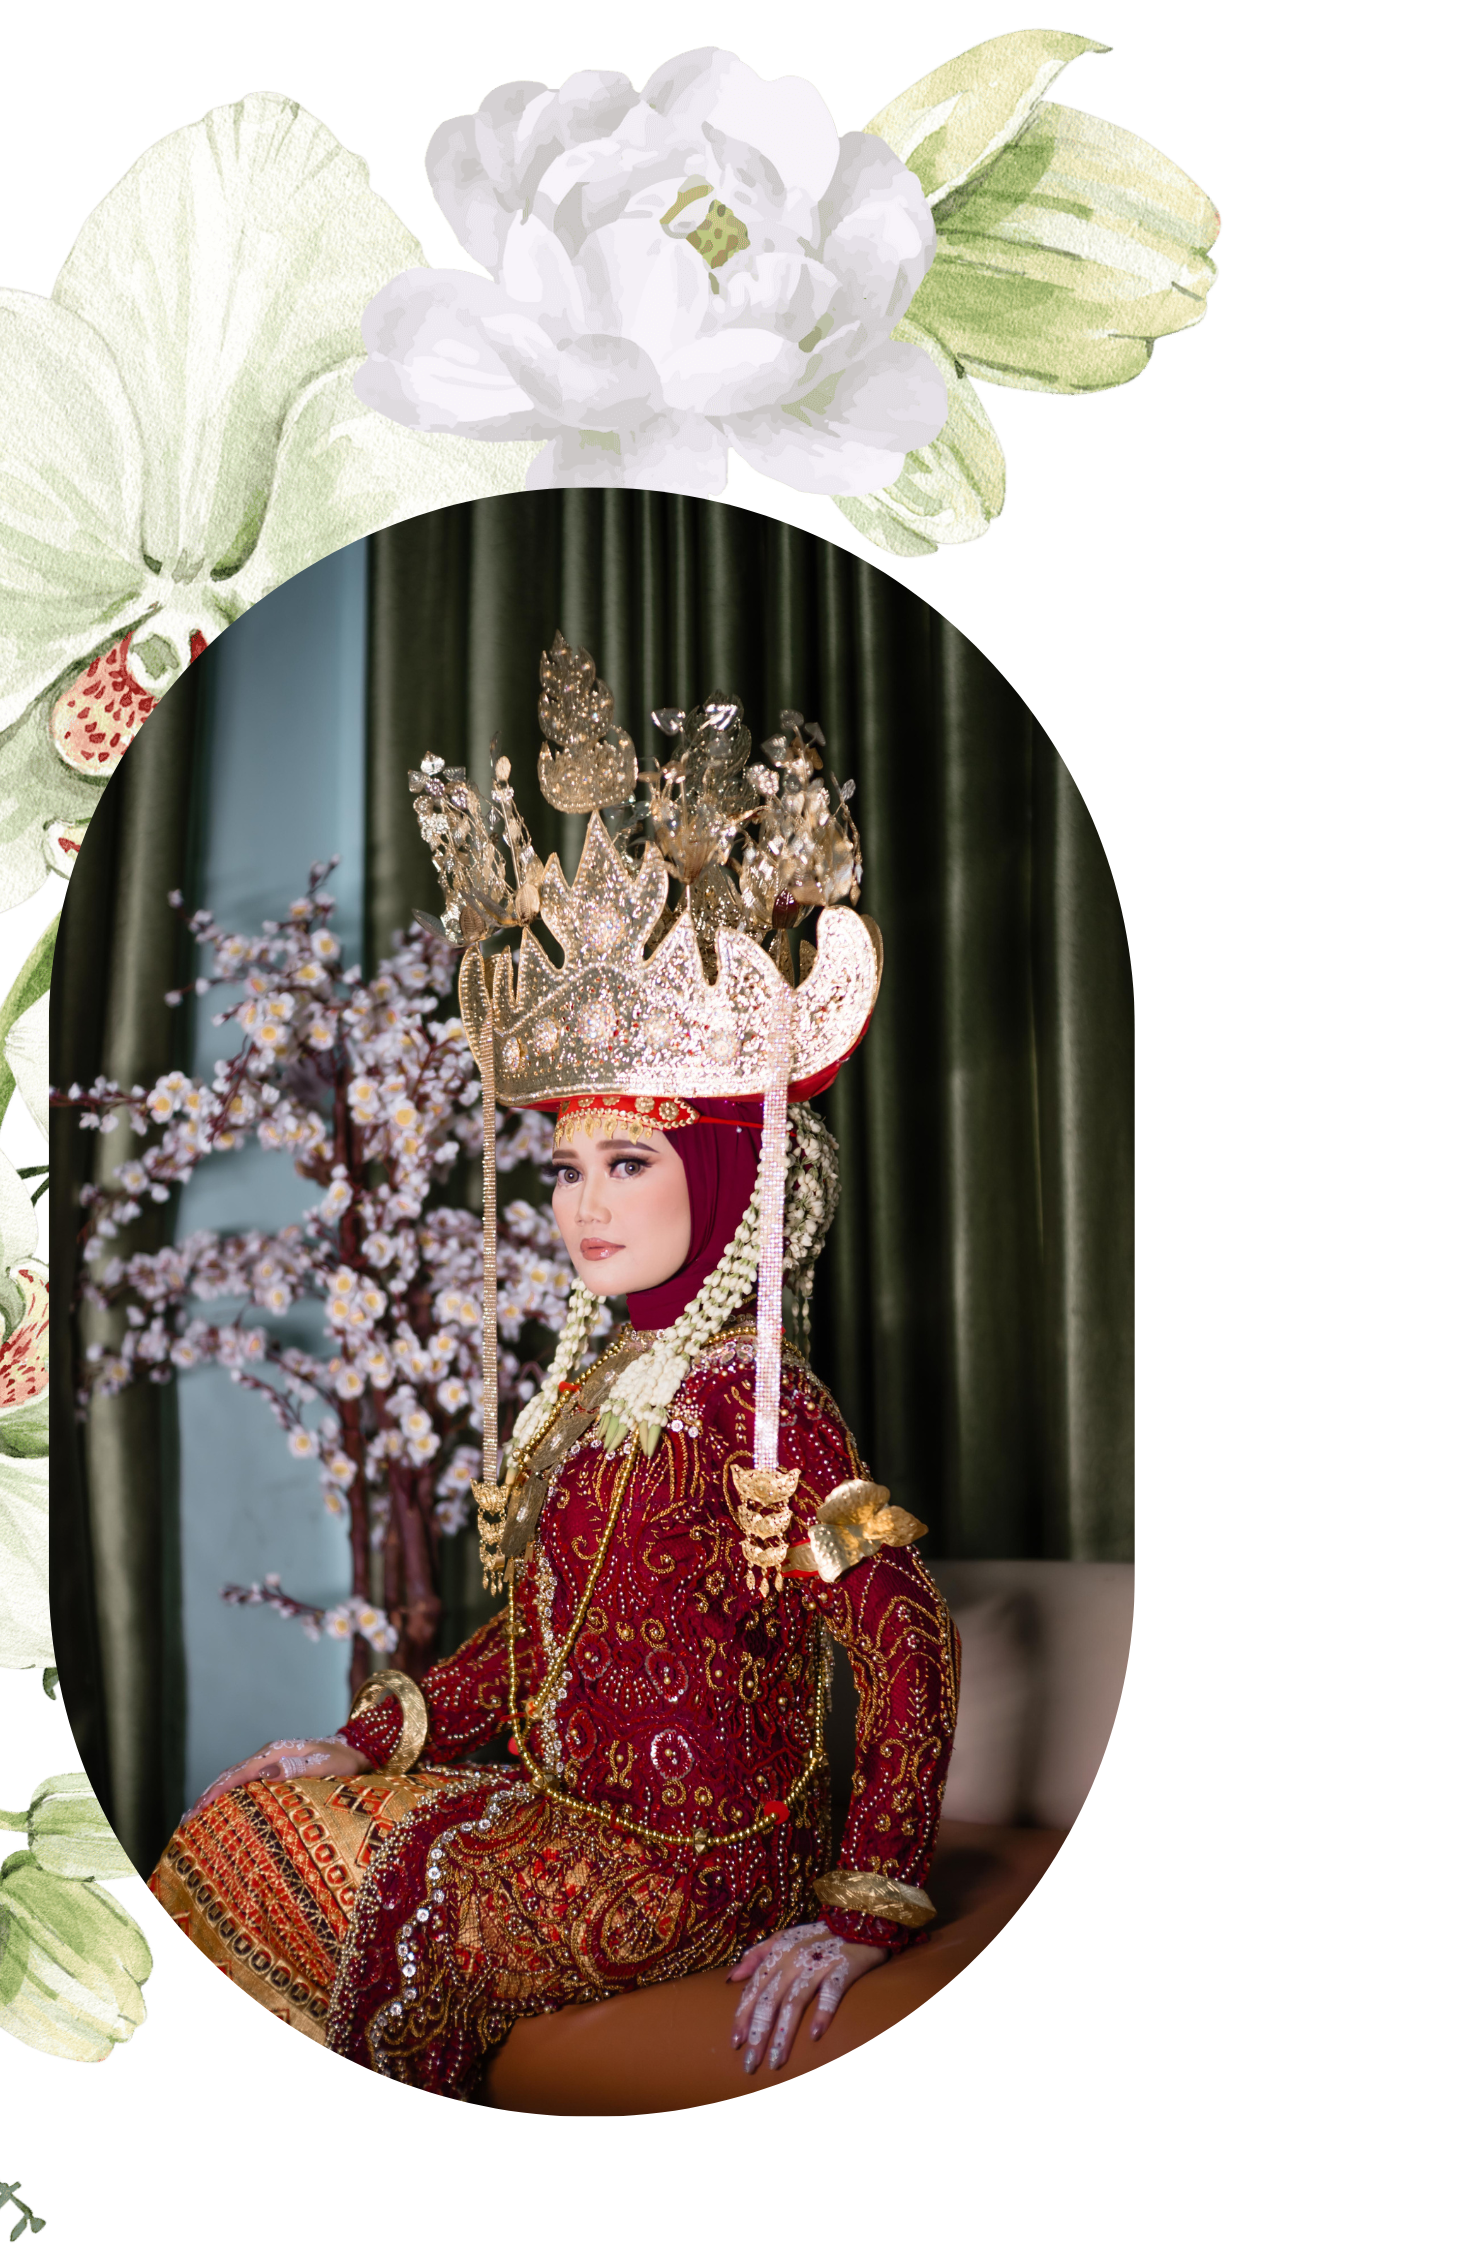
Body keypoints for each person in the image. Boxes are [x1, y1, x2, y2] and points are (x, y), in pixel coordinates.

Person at [150, 652, 961, 2099]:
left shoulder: (751, 1402)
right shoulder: (602, 1389)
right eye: (566, 1169)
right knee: (245, 1828)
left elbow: (906, 1636)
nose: (583, 1207)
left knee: (335, 1897)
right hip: (566, 1813)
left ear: (725, 1173)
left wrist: (862, 1907)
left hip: (702, 1863)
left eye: (627, 1162)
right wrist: (365, 1741)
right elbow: (532, 1647)